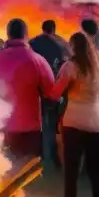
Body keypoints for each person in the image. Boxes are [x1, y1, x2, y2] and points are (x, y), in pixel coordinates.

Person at [49, 32, 99, 197]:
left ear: (72, 47)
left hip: (74, 122)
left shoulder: (71, 67)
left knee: (71, 175)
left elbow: (54, 93)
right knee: (97, 176)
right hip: (98, 122)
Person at [0, 18, 56, 161]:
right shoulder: (37, 60)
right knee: (30, 174)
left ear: (8, 34)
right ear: (26, 34)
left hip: (2, 127)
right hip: (30, 129)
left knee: (6, 173)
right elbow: (51, 92)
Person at [30, 19, 71, 168]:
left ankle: (38, 157)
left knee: (38, 123)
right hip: (55, 90)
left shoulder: (33, 43)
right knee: (54, 125)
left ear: (42, 28)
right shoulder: (62, 44)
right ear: (54, 29)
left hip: (36, 90)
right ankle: (55, 157)